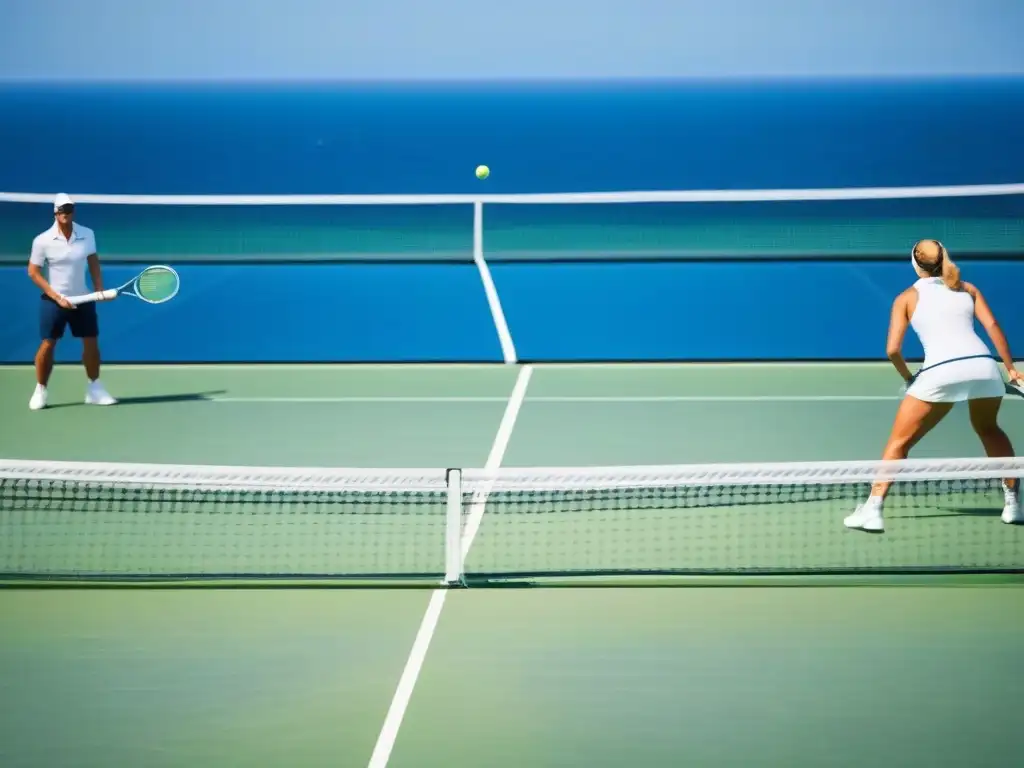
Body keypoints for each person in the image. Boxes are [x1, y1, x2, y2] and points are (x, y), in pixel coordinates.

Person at [844, 238, 1021, 532]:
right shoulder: (967, 288)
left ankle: (872, 509)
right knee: (989, 428)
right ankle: (1014, 504)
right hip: (984, 367)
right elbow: (992, 327)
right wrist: (1012, 369)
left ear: (915, 264)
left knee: (899, 443)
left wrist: (909, 378)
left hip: (940, 372)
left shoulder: (906, 298)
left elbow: (893, 350)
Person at [27, 193, 117, 410]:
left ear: (73, 211)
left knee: (91, 342)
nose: (65, 213)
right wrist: (57, 297)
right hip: (54, 300)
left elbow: (93, 260)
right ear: (55, 213)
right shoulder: (42, 240)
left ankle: (94, 389)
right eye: (61, 210)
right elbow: (33, 272)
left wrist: (98, 288)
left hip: (83, 298)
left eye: (69, 209)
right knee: (48, 344)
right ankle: (41, 389)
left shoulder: (87, 234)